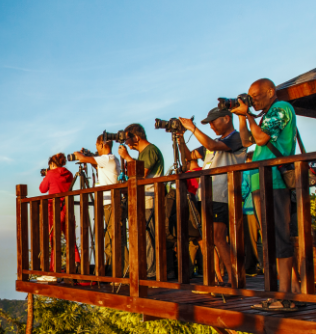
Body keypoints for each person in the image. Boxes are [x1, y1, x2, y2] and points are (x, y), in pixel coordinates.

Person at [232, 78, 300, 310]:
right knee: (271, 237)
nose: (254, 101)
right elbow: (246, 140)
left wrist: (249, 115)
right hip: (261, 179)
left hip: (275, 180)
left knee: (278, 236)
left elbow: (261, 139)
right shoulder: (266, 115)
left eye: (257, 96)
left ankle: (285, 295)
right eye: (251, 97)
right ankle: (287, 292)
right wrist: (242, 117)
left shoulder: (281, 109)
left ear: (271, 92)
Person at [178, 108, 248, 288]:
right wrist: (179, 138)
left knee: (217, 237)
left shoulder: (237, 138)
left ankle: (235, 279)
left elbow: (212, 146)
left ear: (226, 118)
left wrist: (193, 128)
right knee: (209, 239)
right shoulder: (213, 142)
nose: (211, 125)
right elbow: (188, 157)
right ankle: (216, 279)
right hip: (207, 195)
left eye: (213, 121)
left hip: (222, 195)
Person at [115, 123, 164, 278]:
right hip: (145, 199)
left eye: (128, 139)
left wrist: (127, 158)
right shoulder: (144, 153)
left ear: (136, 137)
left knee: (149, 237)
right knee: (144, 236)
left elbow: (141, 173)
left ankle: (151, 273)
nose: (127, 143)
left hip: (150, 198)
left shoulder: (150, 150)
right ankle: (148, 270)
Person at [74, 137, 125, 277]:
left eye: (97, 145)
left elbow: (84, 159)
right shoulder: (108, 160)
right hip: (109, 203)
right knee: (109, 238)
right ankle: (112, 271)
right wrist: (90, 156)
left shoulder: (108, 158)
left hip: (111, 203)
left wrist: (79, 155)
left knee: (114, 238)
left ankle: (119, 272)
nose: (96, 148)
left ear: (102, 144)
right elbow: (96, 165)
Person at [39, 153, 81, 274]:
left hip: (54, 209)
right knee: (71, 240)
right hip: (68, 209)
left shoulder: (50, 174)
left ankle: (53, 268)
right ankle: (77, 264)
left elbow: (42, 189)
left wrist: (46, 175)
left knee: (54, 240)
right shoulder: (69, 174)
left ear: (52, 164)